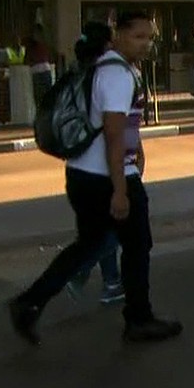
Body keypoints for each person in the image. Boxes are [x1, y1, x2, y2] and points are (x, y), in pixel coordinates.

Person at [9, 11, 183, 345]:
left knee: (87, 245)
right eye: (138, 36)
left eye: (150, 37)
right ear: (117, 35)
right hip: (109, 178)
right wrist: (120, 190)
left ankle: (30, 302)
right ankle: (139, 318)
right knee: (137, 245)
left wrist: (137, 152)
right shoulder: (118, 74)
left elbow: (120, 129)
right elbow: (115, 136)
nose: (146, 44)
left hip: (81, 174)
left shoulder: (100, 67)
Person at [62, 22, 126, 306]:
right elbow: (115, 130)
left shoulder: (74, 74)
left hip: (76, 163)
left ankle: (111, 283)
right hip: (102, 166)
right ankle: (82, 268)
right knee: (118, 228)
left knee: (95, 227)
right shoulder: (109, 75)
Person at [25, 23, 54, 106]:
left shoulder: (31, 46)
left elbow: (27, 60)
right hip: (45, 70)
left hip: (38, 72)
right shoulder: (45, 44)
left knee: (40, 98)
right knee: (45, 97)